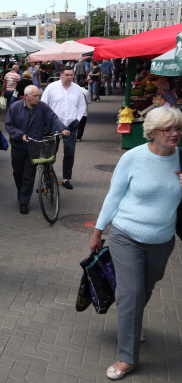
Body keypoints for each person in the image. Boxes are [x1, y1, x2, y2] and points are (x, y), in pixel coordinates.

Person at [90, 107, 182, 381]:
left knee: (145, 288)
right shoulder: (133, 158)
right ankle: (127, 357)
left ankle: (133, 322)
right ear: (152, 132)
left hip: (162, 240)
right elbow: (113, 197)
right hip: (126, 236)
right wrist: (97, 231)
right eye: (168, 129)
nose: (175, 133)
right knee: (130, 294)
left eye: (177, 128)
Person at [5, 86, 69, 214]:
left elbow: (53, 119)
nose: (38, 98)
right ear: (26, 96)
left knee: (29, 175)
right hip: (18, 146)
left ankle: (24, 202)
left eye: (38, 95)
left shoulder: (42, 107)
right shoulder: (15, 107)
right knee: (18, 173)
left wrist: (62, 129)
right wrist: (20, 135)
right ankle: (21, 193)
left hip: (34, 146)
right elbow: (9, 125)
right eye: (35, 96)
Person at [41, 67, 85, 189]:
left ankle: (66, 179)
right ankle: (48, 177)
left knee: (69, 152)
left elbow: (82, 106)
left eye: (71, 75)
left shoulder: (77, 89)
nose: (69, 77)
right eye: (67, 75)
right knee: (51, 152)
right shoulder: (51, 87)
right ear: (61, 75)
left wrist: (77, 119)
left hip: (70, 124)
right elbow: (43, 105)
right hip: (54, 124)